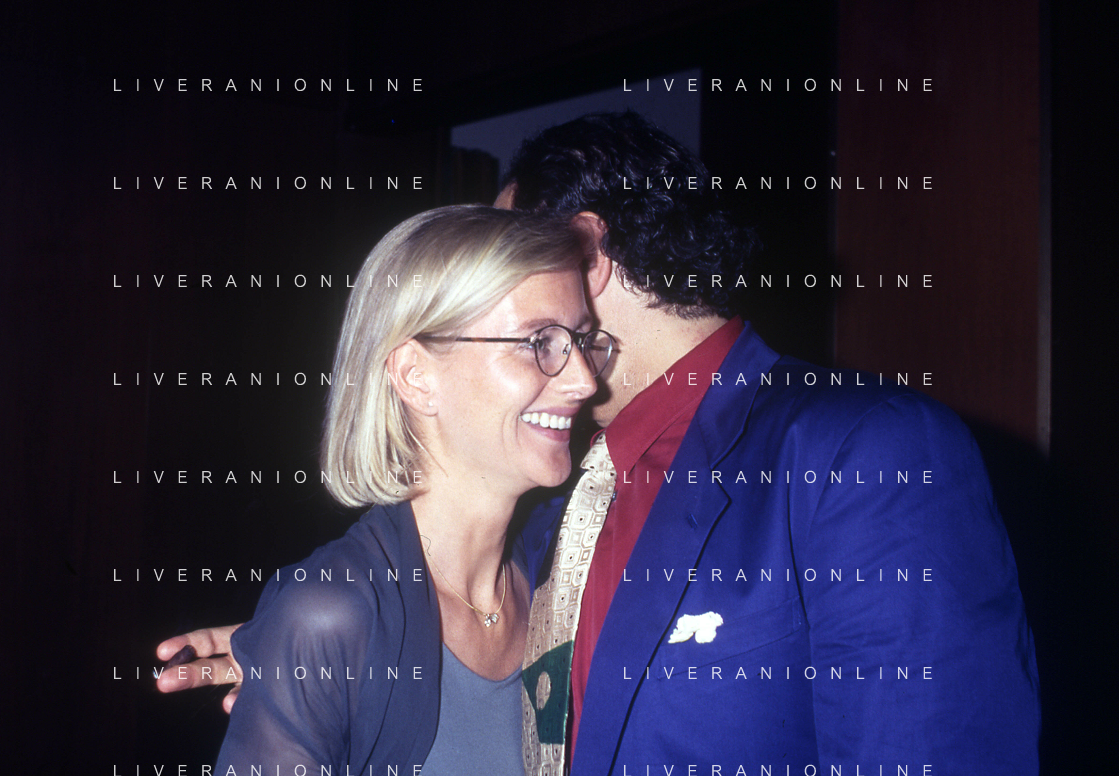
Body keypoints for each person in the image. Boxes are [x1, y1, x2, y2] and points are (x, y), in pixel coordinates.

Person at [161, 113, 1040, 774]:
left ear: (585, 251)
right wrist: (332, 644)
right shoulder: (556, 502)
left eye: (509, 244)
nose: (574, 376)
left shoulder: (860, 451)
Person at [208, 204, 611, 775]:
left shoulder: (561, 574)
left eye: (581, 340)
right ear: (417, 377)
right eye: (538, 341)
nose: (584, 380)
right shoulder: (331, 614)